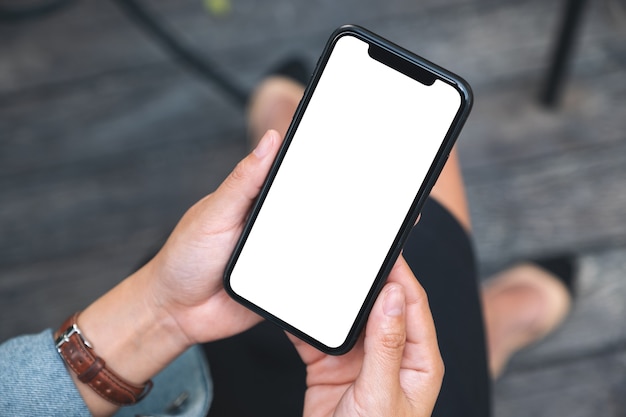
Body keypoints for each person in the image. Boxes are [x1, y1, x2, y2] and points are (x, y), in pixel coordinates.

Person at [0, 65, 574, 417]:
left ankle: (280, 117)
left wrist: (159, 312)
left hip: (169, 368)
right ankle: (488, 333)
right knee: (430, 225)